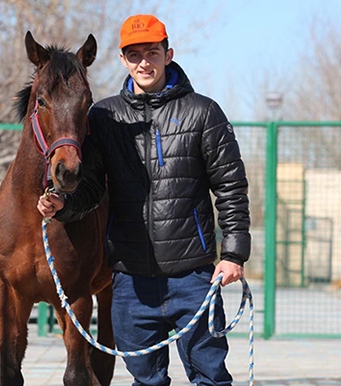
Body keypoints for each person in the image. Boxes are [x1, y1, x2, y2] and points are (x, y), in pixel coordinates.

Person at [37, 14, 251, 386]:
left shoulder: (204, 112)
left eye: (152, 52)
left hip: (193, 275)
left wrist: (233, 254)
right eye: (134, 54)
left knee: (211, 376)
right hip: (130, 281)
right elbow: (91, 189)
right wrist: (64, 207)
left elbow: (230, 186)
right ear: (123, 60)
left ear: (168, 54)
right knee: (146, 380)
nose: (144, 62)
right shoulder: (104, 117)